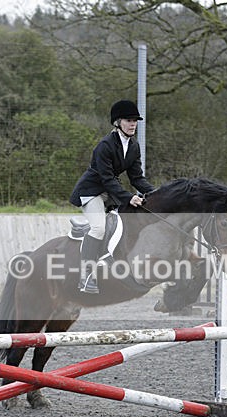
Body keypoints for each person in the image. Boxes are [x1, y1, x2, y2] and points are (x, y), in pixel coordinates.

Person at [69, 100, 154, 294]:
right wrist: (128, 197)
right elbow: (107, 179)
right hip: (91, 191)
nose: (133, 124)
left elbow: (137, 178)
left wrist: (156, 193)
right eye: (128, 120)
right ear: (117, 122)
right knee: (99, 228)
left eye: (135, 120)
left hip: (110, 192)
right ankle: (86, 276)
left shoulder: (133, 147)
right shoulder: (105, 146)